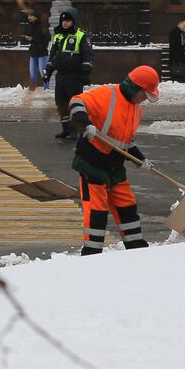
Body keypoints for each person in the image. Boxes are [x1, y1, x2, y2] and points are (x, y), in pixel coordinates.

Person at [68, 65, 160, 255]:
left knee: (127, 207)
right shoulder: (107, 95)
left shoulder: (136, 110)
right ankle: (92, 254)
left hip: (115, 167)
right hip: (92, 164)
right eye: (144, 94)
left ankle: (137, 251)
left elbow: (124, 142)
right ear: (135, 87)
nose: (144, 99)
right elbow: (76, 101)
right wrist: (85, 124)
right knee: (97, 212)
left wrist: (140, 159)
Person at [45, 7, 94, 139]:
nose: (65, 23)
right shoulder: (58, 36)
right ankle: (65, 127)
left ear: (74, 21)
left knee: (73, 102)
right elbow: (53, 56)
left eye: (68, 20)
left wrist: (85, 73)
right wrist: (48, 72)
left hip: (74, 76)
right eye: (63, 20)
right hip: (61, 75)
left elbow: (87, 55)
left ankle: (74, 128)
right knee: (60, 102)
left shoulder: (81, 36)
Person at [23, 10, 50, 89]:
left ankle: (47, 89)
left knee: (43, 73)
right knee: (32, 74)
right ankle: (32, 90)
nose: (29, 17)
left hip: (42, 54)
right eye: (28, 16)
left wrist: (35, 41)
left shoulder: (43, 26)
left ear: (36, 17)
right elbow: (29, 37)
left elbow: (47, 38)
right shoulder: (30, 26)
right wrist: (28, 38)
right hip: (33, 53)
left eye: (31, 16)